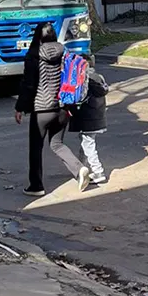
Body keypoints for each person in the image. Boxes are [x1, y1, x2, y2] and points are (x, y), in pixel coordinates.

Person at [15, 23, 92, 196]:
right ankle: (79, 169)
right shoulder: (64, 52)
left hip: (41, 110)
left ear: (37, 36)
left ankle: (36, 186)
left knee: (36, 148)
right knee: (57, 144)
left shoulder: (33, 56)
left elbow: (28, 85)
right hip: (63, 107)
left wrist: (20, 108)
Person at [68, 54, 109, 184]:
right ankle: (80, 167)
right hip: (98, 118)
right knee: (86, 143)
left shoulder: (83, 80)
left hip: (86, 119)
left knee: (88, 145)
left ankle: (98, 172)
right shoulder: (99, 77)